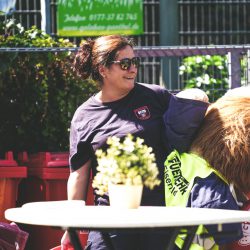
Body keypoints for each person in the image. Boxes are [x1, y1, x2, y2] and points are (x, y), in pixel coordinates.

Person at [61, 35, 209, 250]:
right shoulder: (84, 116)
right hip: (110, 218)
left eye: (134, 62)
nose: (133, 69)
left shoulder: (155, 96)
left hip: (161, 215)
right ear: (103, 69)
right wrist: (70, 226)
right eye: (125, 64)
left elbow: (187, 133)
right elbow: (78, 174)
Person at [164, 86, 250, 249]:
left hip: (179, 236)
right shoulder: (206, 177)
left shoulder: (176, 156)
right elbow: (222, 219)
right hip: (202, 243)